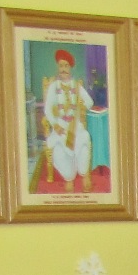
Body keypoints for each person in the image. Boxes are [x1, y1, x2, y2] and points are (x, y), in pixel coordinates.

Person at [41, 49, 97, 192]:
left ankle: (84, 175)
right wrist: (55, 125)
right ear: (58, 68)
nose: (63, 69)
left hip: (76, 127)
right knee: (59, 150)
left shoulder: (77, 86)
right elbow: (47, 110)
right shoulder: (54, 87)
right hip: (60, 127)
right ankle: (69, 178)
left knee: (83, 144)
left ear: (70, 68)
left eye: (66, 66)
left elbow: (90, 102)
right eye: (61, 66)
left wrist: (81, 105)